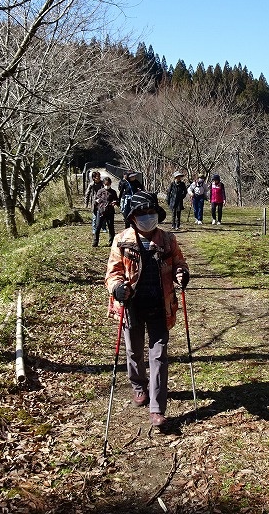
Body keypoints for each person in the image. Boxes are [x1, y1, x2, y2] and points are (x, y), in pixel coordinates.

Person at [105, 191, 190, 429]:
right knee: (134, 351)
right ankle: (139, 387)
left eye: (151, 212)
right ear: (132, 217)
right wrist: (117, 288)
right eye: (142, 213)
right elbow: (113, 272)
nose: (147, 217)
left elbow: (179, 262)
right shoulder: (121, 240)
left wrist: (182, 273)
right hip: (131, 306)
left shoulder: (168, 240)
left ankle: (157, 408)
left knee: (159, 355)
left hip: (161, 304)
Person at [93, 176, 118, 247]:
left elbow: (117, 200)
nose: (107, 186)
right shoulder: (100, 191)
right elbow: (95, 200)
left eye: (108, 184)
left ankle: (111, 242)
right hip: (101, 211)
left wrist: (115, 202)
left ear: (110, 184)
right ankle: (95, 242)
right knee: (98, 227)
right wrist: (97, 201)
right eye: (106, 184)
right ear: (103, 184)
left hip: (110, 212)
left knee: (111, 227)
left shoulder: (113, 192)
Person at [85, 170, 104, 242]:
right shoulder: (92, 184)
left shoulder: (102, 183)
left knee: (102, 215)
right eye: (97, 177)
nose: (99, 178)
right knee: (94, 216)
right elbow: (87, 194)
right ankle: (94, 229)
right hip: (94, 202)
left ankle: (103, 227)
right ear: (93, 178)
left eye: (99, 176)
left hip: (102, 202)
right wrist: (86, 203)